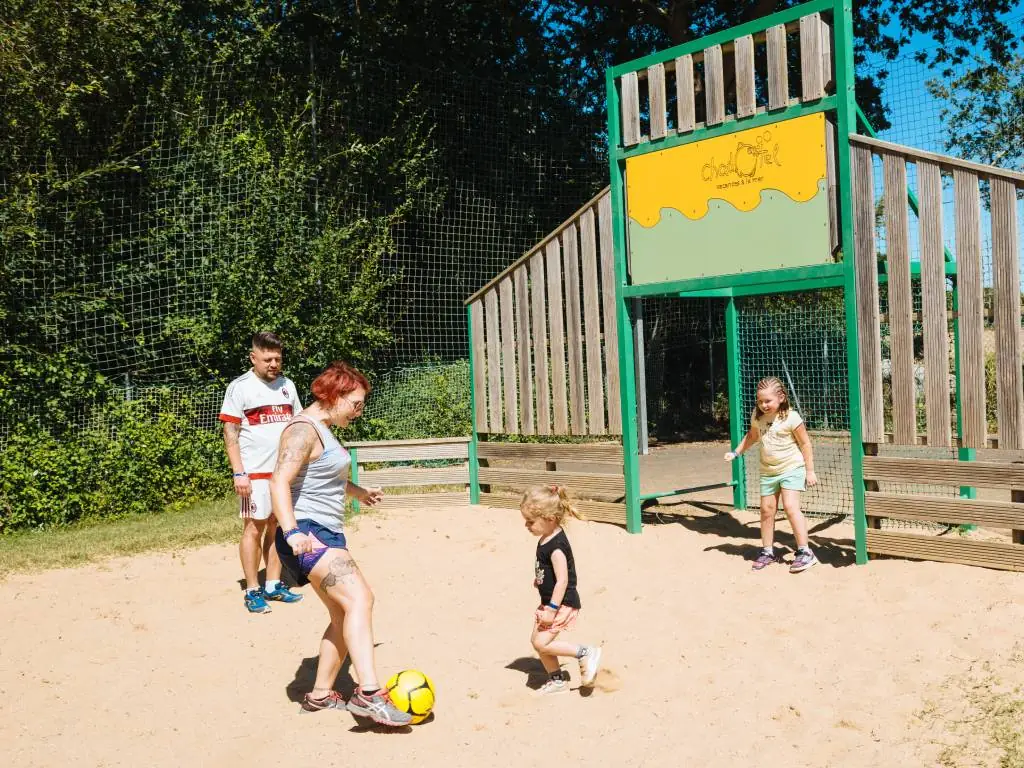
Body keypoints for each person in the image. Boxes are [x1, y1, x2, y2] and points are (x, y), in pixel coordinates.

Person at [270, 361, 412, 726]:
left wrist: (358, 492)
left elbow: (323, 478)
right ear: (333, 395)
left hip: (322, 530)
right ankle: (368, 694)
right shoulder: (302, 430)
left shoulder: (325, 430)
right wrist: (291, 531)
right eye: (356, 402)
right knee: (361, 599)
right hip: (307, 531)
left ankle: (319, 695)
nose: (359, 411)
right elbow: (279, 482)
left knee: (342, 613)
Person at [219, 332, 305, 613]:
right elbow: (230, 433)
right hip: (253, 475)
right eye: (267, 359)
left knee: (278, 527)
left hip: (282, 474)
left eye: (278, 358)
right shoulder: (240, 387)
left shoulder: (287, 385)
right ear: (253, 358)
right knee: (253, 528)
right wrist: (238, 473)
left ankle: (272, 584)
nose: (273, 364)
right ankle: (252, 590)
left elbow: (298, 426)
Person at [725, 376, 819, 573]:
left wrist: (809, 470)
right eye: (760, 401)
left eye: (768, 401)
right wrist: (736, 452)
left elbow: (805, 443)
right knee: (767, 510)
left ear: (781, 397)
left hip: (791, 468)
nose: (763, 405)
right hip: (768, 471)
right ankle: (768, 551)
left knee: (791, 507)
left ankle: (805, 551)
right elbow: (752, 436)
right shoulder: (758, 416)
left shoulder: (791, 417)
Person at [520, 485, 603, 696]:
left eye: (531, 521)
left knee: (541, 642)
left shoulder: (556, 547)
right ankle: (557, 680)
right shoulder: (546, 538)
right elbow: (552, 573)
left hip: (560, 603)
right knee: (537, 643)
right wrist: (540, 579)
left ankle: (585, 653)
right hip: (550, 601)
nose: (526, 525)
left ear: (549, 518)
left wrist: (552, 609)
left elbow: (563, 580)